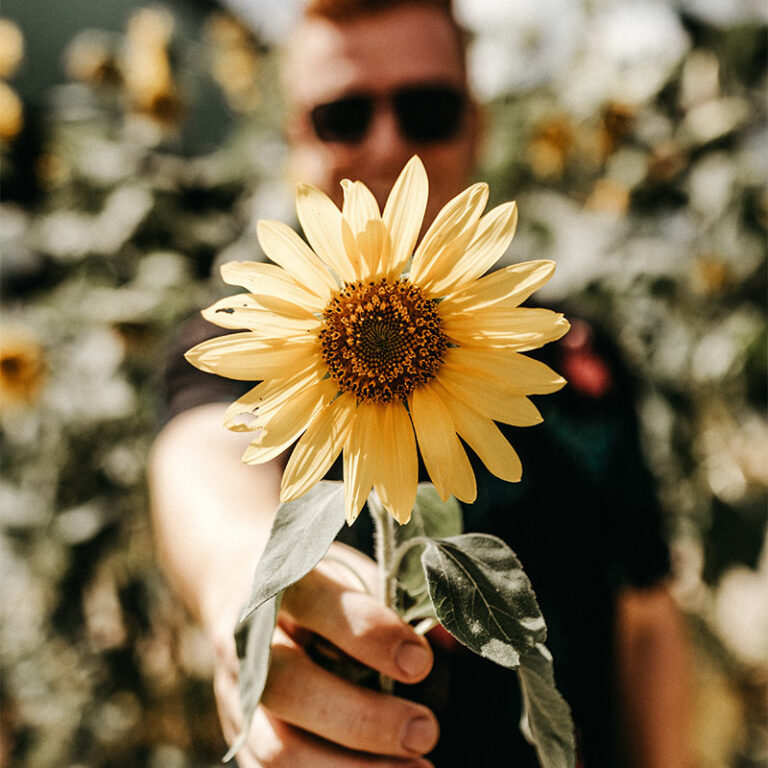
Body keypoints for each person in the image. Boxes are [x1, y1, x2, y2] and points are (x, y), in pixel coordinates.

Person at [148, 1, 691, 766]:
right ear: (294, 139)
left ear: (477, 125)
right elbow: (203, 468)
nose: (389, 146)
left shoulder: (572, 356)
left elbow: (647, 617)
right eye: (342, 115)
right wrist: (250, 578)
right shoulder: (251, 335)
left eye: (426, 109)